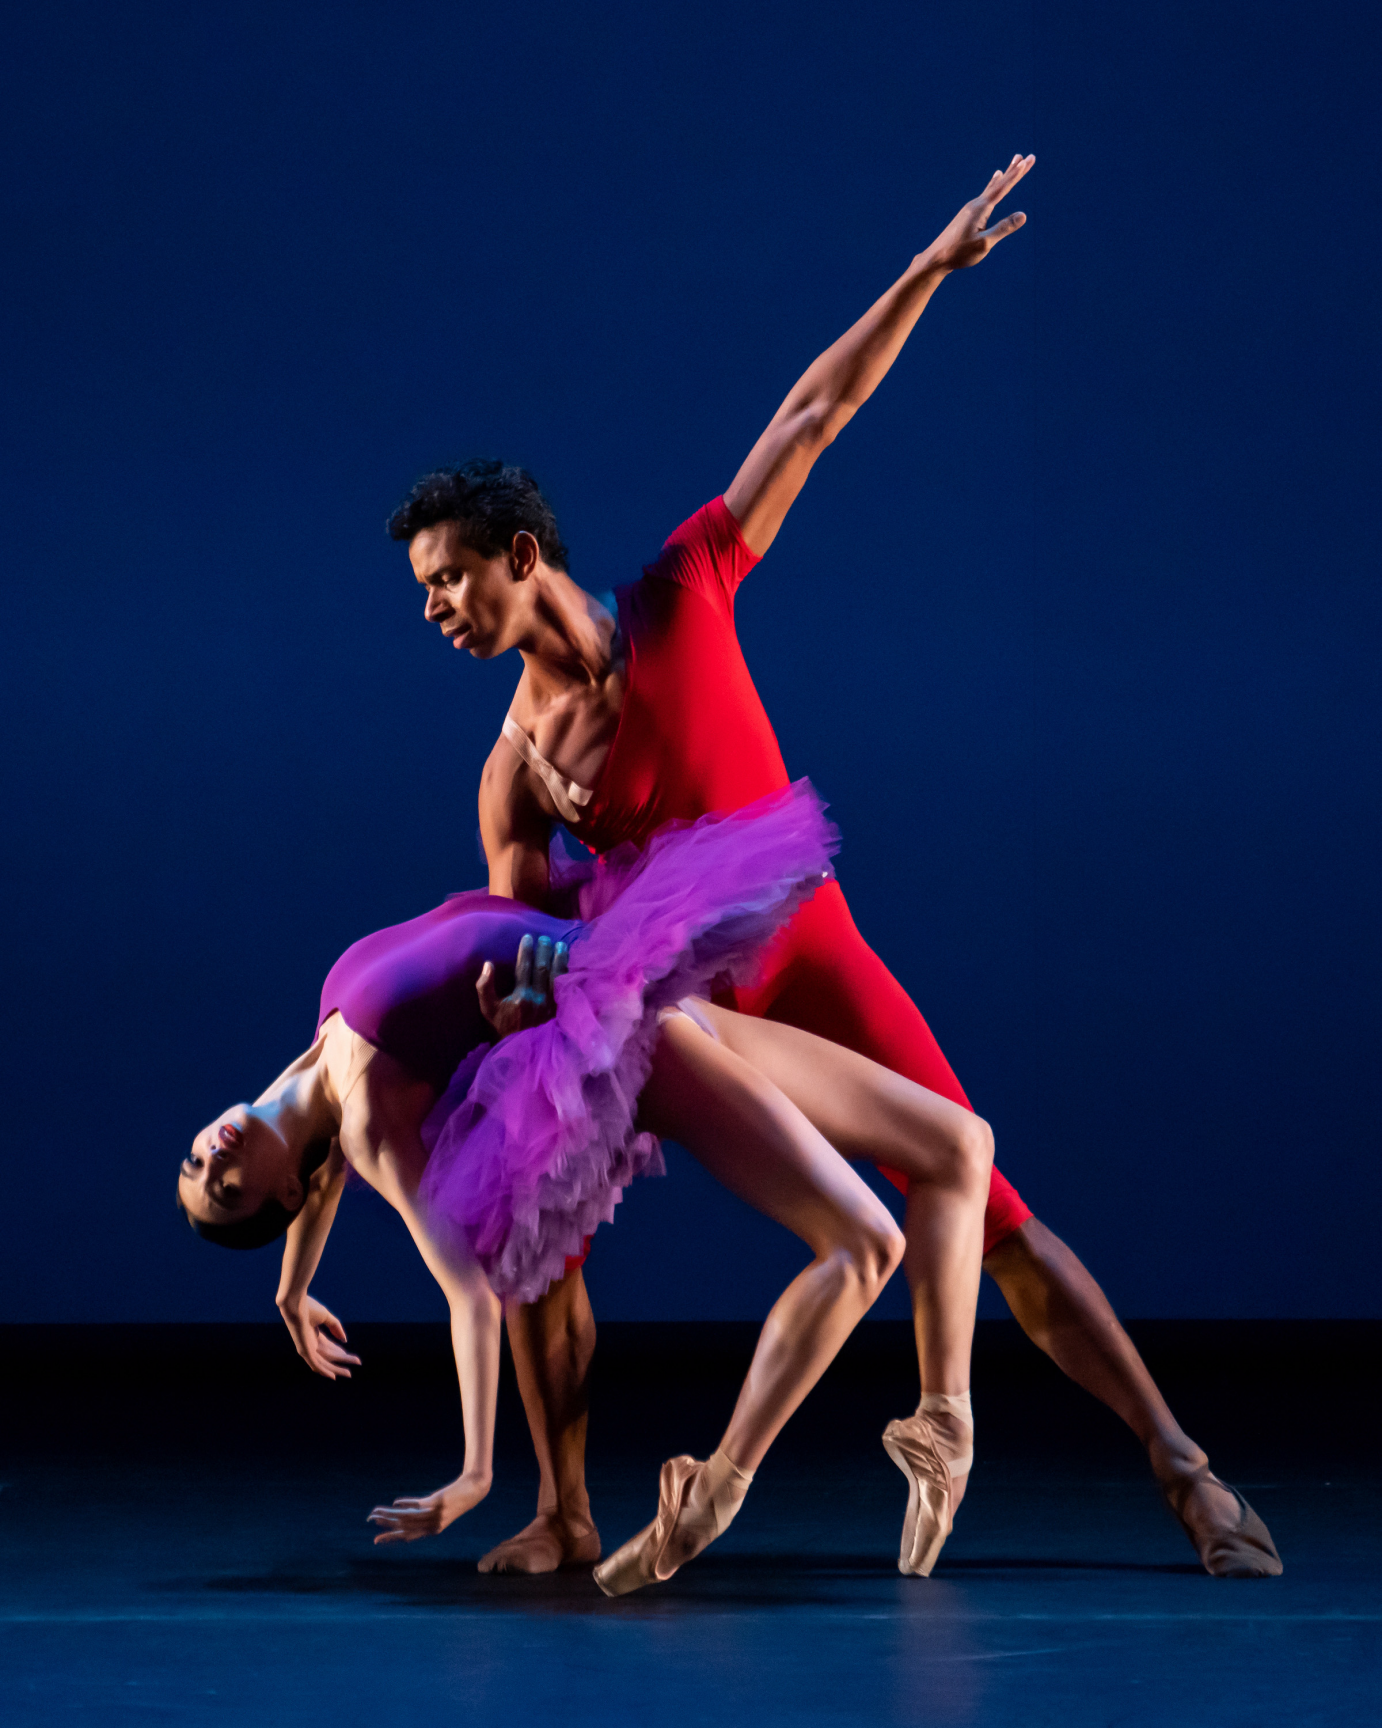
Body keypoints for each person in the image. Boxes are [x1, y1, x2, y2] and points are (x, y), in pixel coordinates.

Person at [389, 154, 1282, 1580]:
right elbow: (514, 951)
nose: (433, 609)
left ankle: (1179, 1472)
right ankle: (571, 1509)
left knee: (983, 1205)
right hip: (708, 1009)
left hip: (821, 953)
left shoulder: (682, 593)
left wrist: (925, 273)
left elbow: (816, 412)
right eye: (422, 593)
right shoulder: (513, 771)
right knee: (566, 1221)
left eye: (448, 579)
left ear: (519, 552)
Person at [177, 785, 995, 1590]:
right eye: (226, 1190)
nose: (214, 1162)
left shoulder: (318, 1054)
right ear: (276, 1193)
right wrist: (475, 1473)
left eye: (197, 1166)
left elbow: (312, 1182)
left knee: (962, 1146)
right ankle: (711, 1493)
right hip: (632, 1040)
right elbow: (469, 1294)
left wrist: (292, 1290)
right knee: (864, 1245)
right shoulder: (365, 1121)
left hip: (635, 980)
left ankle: (942, 1425)